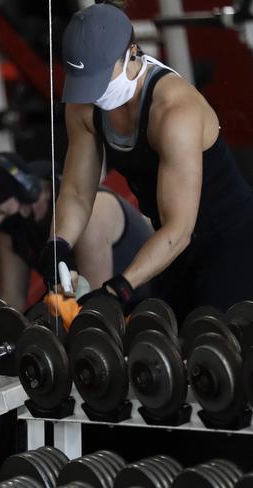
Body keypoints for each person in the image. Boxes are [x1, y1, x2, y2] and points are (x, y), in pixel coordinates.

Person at [47, 0, 253, 318]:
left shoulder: (174, 111)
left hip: (228, 244)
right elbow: (76, 192)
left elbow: (180, 228)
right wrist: (58, 244)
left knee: (214, 350)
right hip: (169, 248)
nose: (95, 93)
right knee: (165, 349)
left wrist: (119, 288)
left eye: (103, 80)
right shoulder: (84, 102)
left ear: (132, 51)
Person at [0, 152, 153, 311]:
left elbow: (95, 304)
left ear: (28, 191)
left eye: (1, 211)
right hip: (95, 309)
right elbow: (12, 302)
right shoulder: (10, 227)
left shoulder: (93, 213)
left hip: (147, 307)